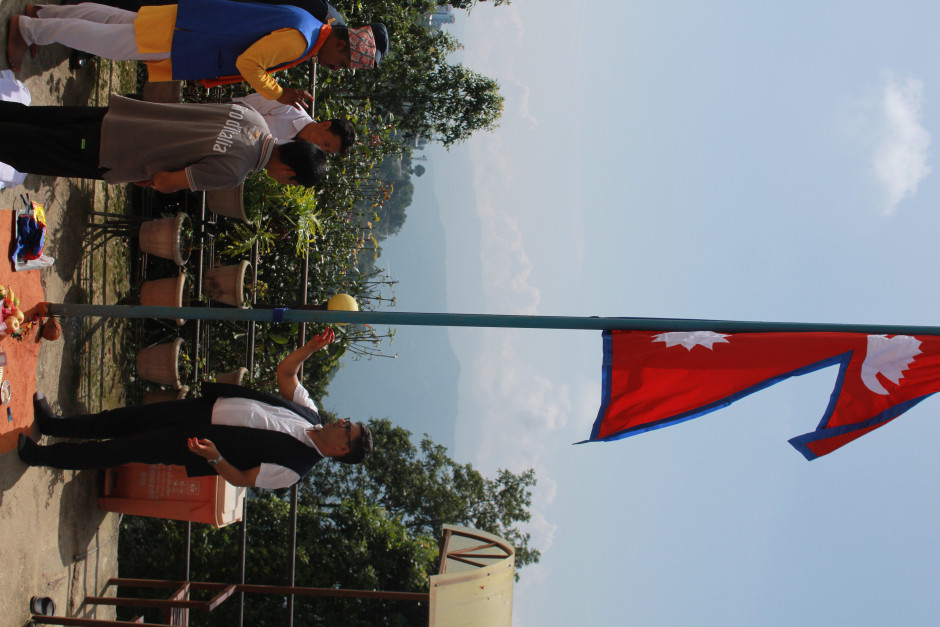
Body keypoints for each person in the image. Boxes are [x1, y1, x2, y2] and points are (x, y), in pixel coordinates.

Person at [18, 328, 373, 489]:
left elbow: (243, 479)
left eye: (348, 429)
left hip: (199, 444)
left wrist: (215, 457)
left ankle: (41, 456)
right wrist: (309, 348)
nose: (342, 422)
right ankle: (53, 425)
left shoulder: (295, 469)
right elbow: (286, 373)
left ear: (343, 450)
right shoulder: (309, 411)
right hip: (201, 410)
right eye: (348, 421)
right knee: (120, 420)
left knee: (120, 449)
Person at [7, 0, 389, 108]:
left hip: (191, 23)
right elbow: (248, 63)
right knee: (106, 40)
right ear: (342, 44)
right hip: (190, 38)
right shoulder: (301, 41)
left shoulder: (309, 23)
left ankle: (44, 14)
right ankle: (28, 29)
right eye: (343, 63)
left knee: (112, 21)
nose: (336, 68)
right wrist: (278, 93)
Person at [0, 96, 327, 192]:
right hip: (110, 152)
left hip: (119, 116)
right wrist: (157, 181)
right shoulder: (234, 172)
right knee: (20, 146)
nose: (285, 183)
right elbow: (165, 181)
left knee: (29, 118)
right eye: (291, 182)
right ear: (289, 172)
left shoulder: (253, 116)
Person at [234, 92, 355, 155]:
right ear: (325, 125)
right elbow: (242, 106)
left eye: (326, 151)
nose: (321, 148)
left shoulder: (295, 152)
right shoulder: (289, 106)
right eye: (326, 143)